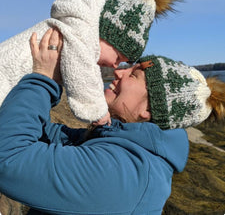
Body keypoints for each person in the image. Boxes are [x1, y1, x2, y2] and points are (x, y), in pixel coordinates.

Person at [1, 29, 224, 215]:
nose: (118, 71)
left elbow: (8, 157)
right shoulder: (115, 140)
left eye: (134, 75)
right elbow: (42, 133)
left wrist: (43, 79)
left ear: (149, 109)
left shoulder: (124, 173)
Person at [0, 0, 180, 123]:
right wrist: (98, 112)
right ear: (108, 35)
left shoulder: (78, 28)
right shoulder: (81, 35)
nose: (115, 66)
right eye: (118, 57)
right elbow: (82, 75)